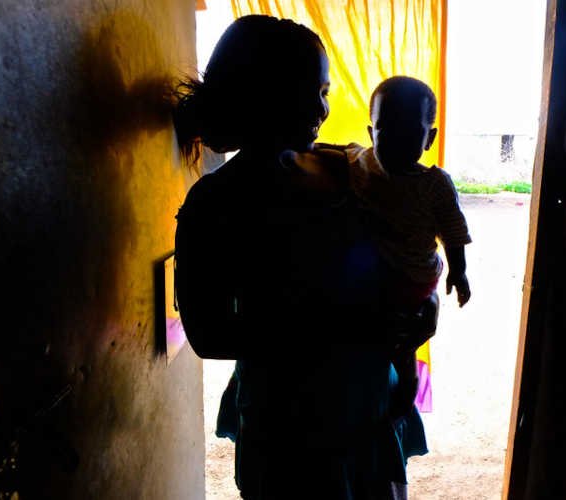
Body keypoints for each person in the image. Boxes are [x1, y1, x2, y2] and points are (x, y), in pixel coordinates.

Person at [173, 15, 434, 499]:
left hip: (370, 410)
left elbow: (407, 247)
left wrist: (425, 304)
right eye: (308, 91)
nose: (322, 108)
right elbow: (208, 334)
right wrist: (342, 327)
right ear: (261, 93)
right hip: (289, 433)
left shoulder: (350, 169)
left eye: (325, 91)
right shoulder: (216, 204)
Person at [288, 76, 472, 416]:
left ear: (429, 138)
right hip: (373, 280)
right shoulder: (358, 164)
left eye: (410, 131)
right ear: (372, 133)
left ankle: (402, 403)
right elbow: (325, 150)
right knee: (387, 337)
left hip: (413, 279)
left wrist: (458, 272)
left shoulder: (435, 184)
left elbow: (454, 232)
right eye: (387, 129)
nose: (398, 140)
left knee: (402, 348)